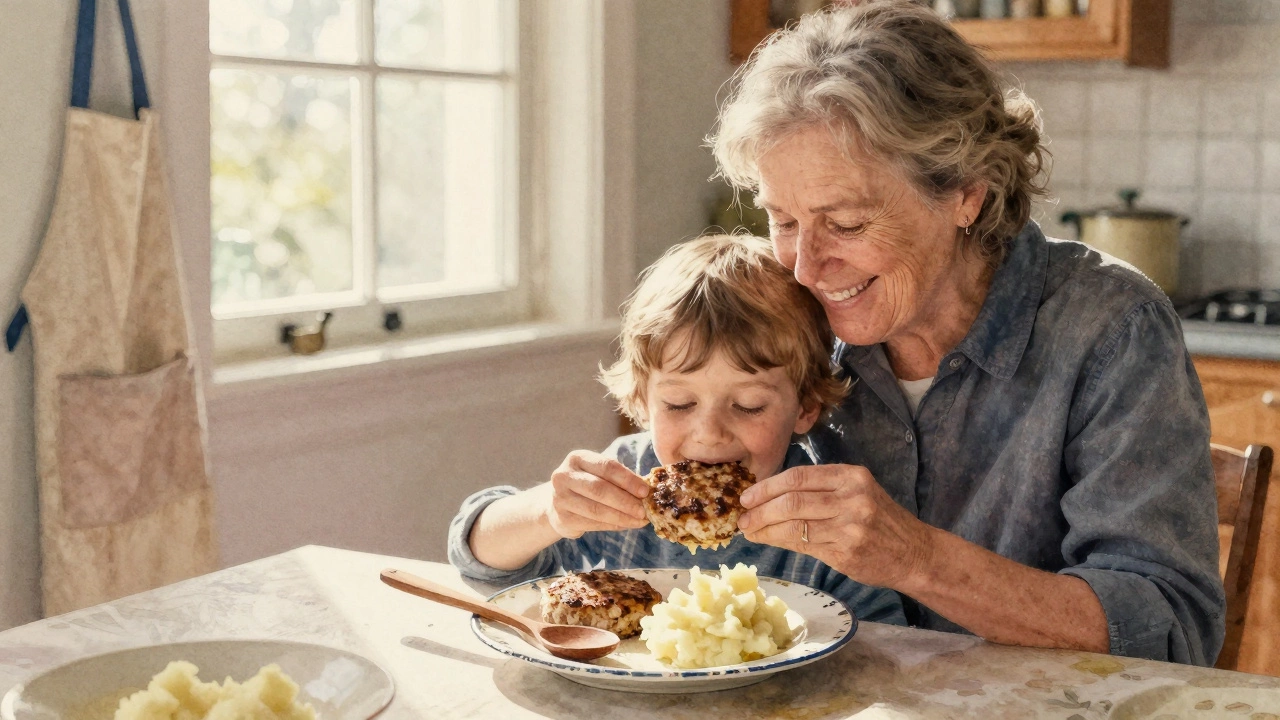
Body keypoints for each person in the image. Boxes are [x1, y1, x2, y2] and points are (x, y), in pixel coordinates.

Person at [709, 1, 1223, 665]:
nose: (806, 267)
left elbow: (1169, 632)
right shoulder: (794, 318)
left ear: (966, 194)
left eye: (847, 224)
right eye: (782, 220)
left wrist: (914, 557)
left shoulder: (1111, 329)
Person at [447, 234, 905, 623]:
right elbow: (479, 563)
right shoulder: (625, 476)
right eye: (679, 403)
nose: (708, 433)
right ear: (643, 402)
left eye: (748, 406)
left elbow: (886, 647)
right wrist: (550, 510)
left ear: (804, 406)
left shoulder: (823, 512)